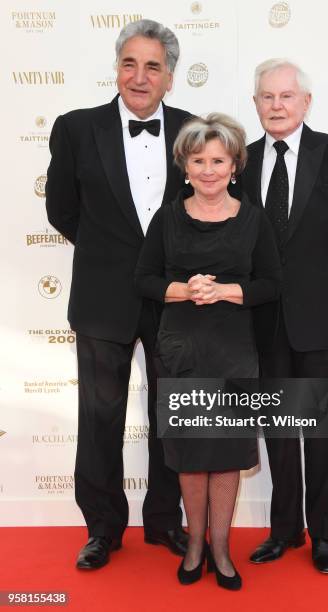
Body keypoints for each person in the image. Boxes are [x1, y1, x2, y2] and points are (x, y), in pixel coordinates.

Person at [46, 19, 192, 570]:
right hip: (103, 298)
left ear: (169, 78)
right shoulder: (76, 128)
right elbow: (61, 210)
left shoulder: (191, 129)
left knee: (172, 415)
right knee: (99, 417)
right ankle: (103, 529)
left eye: (152, 66)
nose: (139, 75)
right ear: (116, 68)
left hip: (174, 300)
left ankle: (163, 523)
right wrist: (111, 257)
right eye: (130, 63)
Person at [241, 59, 328, 573]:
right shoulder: (242, 159)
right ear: (255, 103)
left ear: (305, 102)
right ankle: (284, 529)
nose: (276, 106)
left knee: (325, 431)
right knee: (279, 429)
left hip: (326, 317)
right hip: (262, 320)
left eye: (285, 96)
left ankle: (325, 534)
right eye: (266, 97)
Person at [134, 113, 281, 590]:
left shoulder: (253, 218)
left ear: (234, 166)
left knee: (226, 455)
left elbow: (271, 285)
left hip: (234, 350)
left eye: (218, 160)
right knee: (191, 454)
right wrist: (184, 288)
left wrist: (226, 291)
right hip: (181, 350)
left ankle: (220, 547)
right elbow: (144, 279)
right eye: (199, 160)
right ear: (185, 165)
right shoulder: (168, 218)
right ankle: (194, 544)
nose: (209, 169)